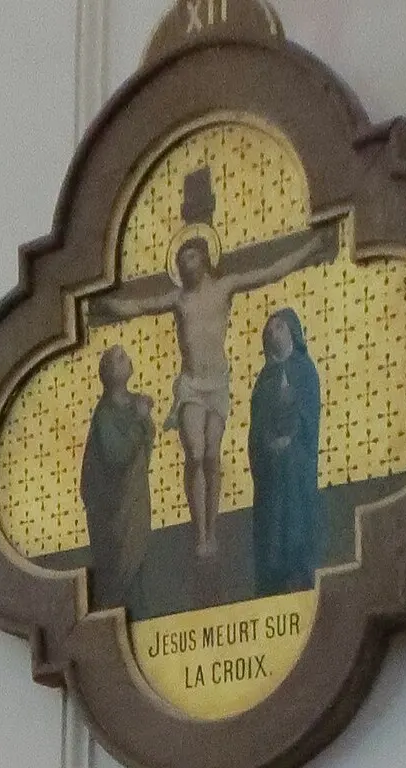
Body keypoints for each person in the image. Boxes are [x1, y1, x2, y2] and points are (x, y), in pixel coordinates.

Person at [90, 207, 336, 562]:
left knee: (211, 455)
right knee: (193, 453)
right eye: (181, 258)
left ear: (204, 258)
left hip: (217, 383)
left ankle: (213, 529)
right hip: (191, 385)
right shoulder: (179, 299)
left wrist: (311, 249)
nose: (185, 262)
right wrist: (102, 304)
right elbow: (140, 306)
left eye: (190, 255)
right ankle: (200, 533)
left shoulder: (224, 287)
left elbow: (268, 271)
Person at [248, 308, 324, 596]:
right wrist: (268, 442)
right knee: (270, 522)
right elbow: (256, 425)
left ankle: (297, 570)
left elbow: (309, 414)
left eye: (278, 327)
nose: (271, 332)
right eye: (268, 330)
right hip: (270, 467)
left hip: (296, 463)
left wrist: (290, 439)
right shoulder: (264, 379)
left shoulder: (304, 370)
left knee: (295, 514)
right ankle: (273, 575)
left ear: (292, 331)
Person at [79, 345, 156, 615]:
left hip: (135, 497)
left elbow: (147, 439)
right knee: (121, 563)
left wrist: (144, 418)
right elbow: (116, 454)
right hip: (115, 505)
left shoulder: (132, 402)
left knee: (139, 556)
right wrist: (139, 419)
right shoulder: (105, 415)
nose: (128, 359)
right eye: (120, 358)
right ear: (110, 373)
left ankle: (140, 610)